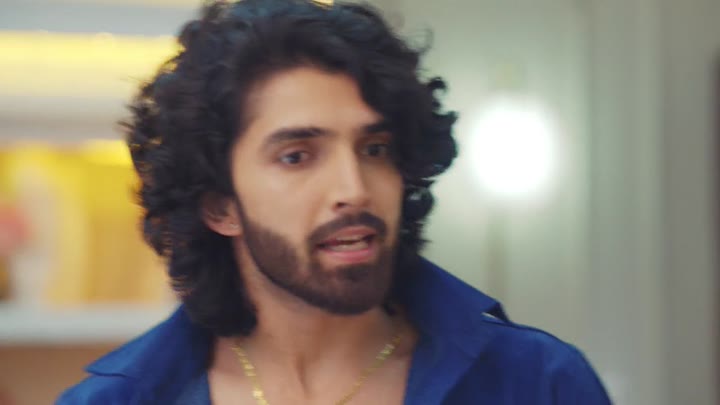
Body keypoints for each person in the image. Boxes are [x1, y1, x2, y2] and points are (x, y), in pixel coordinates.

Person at [58, 0, 612, 403]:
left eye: (374, 149)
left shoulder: (537, 382)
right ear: (220, 206)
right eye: (297, 156)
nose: (354, 188)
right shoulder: (118, 400)